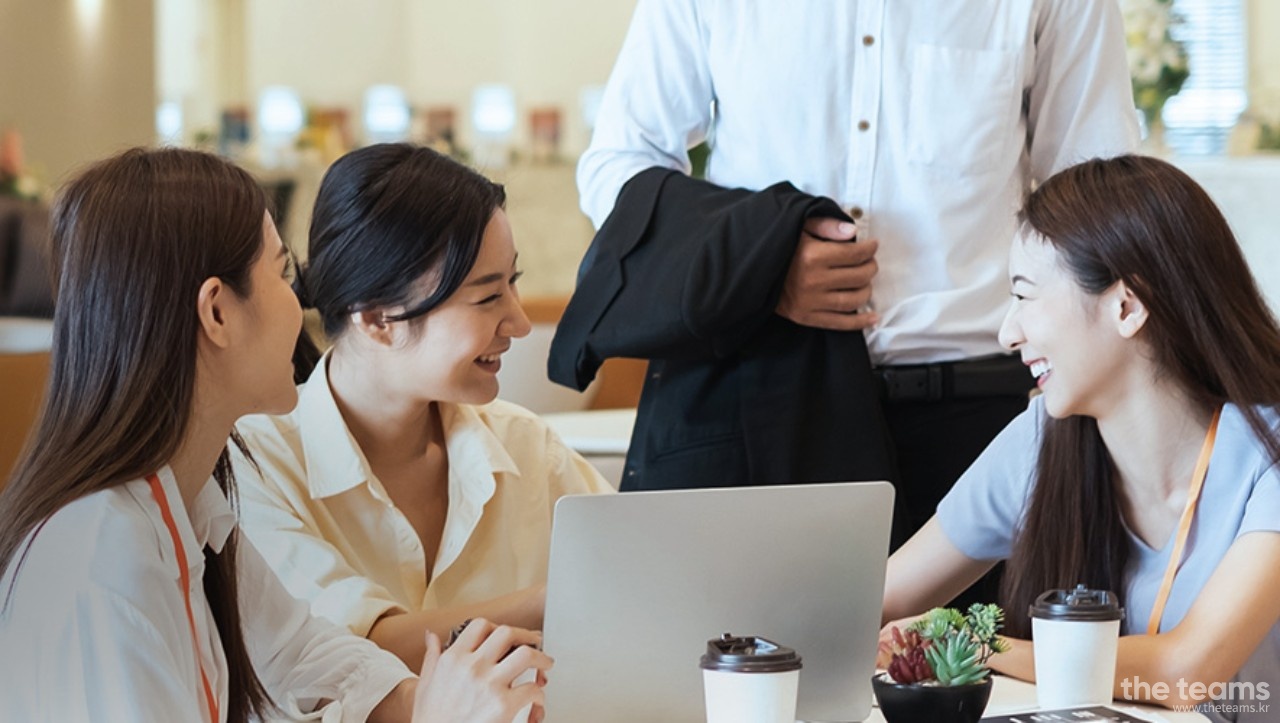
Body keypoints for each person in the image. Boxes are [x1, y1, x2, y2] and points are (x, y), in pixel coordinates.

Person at [0, 148, 551, 723]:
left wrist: (437, 700)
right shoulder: (104, 563)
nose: (304, 304)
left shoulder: (195, 507)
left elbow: (301, 651)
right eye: (281, 273)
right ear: (217, 312)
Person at [577, 0, 1140, 558]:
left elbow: (1099, 194)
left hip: (976, 421)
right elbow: (617, 168)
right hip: (759, 398)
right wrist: (761, 266)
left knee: (985, 649)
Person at [881, 155, 1280, 719]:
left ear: (1126, 305)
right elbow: (879, 604)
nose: (1007, 332)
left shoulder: (1268, 449)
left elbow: (1186, 672)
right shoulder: (1042, 441)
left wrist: (974, 643)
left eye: (1024, 295)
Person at [231, 143, 614, 673]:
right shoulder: (256, 466)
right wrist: (552, 601)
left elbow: (641, 567)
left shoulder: (527, 447)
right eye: (486, 298)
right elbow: (344, 653)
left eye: (513, 285)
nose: (520, 323)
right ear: (376, 318)